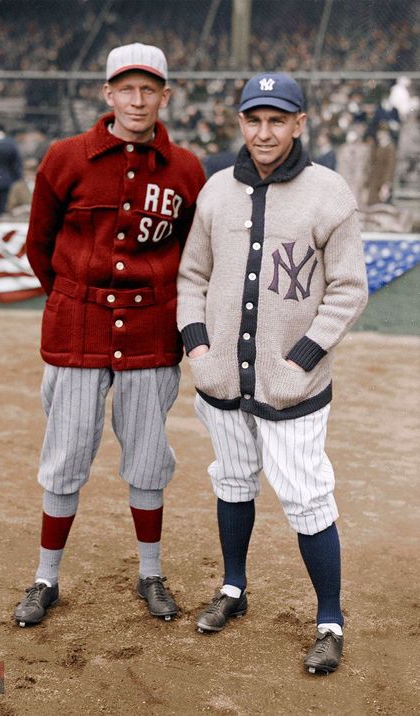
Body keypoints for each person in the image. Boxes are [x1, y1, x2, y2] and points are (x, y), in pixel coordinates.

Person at [177, 72, 368, 674]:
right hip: (222, 380)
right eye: (254, 120)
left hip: (294, 386)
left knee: (307, 497)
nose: (265, 132)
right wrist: (197, 347)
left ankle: (330, 620)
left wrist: (302, 358)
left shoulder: (329, 192)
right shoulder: (214, 192)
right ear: (240, 123)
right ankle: (234, 587)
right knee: (232, 479)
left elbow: (348, 289)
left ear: (300, 124)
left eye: (278, 120)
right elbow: (192, 279)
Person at [15, 43, 205, 627]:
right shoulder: (65, 157)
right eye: (126, 88)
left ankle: (150, 573)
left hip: (150, 327)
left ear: (165, 96)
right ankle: (45, 578)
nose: (137, 99)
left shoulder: (186, 168)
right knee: (66, 453)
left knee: (149, 458)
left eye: (149, 89)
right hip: (78, 327)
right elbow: (38, 246)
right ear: (107, 94)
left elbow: (194, 253)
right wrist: (76, 297)